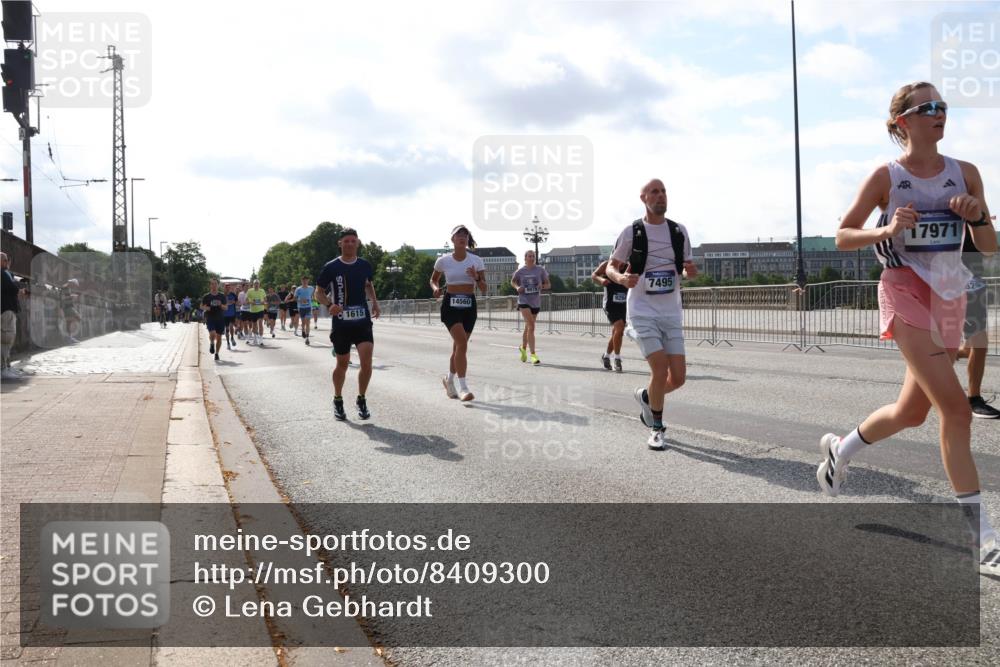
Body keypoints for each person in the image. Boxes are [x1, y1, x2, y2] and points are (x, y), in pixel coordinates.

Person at [816, 81, 997, 567]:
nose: (940, 113)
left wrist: (978, 216)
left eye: (943, 106)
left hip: (949, 292)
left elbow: (990, 246)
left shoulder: (966, 173)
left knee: (911, 412)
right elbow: (842, 236)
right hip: (903, 291)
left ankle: (841, 447)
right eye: (929, 107)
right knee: (956, 413)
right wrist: (889, 229)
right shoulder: (887, 175)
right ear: (904, 122)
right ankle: (984, 538)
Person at [606, 178, 697, 450]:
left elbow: (684, 267)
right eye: (655, 192)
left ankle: (647, 397)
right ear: (644, 198)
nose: (661, 196)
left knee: (678, 378)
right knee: (660, 369)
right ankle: (657, 428)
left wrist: (687, 273)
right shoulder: (632, 232)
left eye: (664, 192)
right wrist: (621, 278)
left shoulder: (678, 232)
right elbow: (611, 266)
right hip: (642, 312)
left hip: (671, 312)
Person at [315, 228, 381, 420]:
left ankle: (361, 398)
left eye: (353, 241)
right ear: (340, 243)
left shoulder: (364, 265)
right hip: (342, 324)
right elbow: (318, 292)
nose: (350, 244)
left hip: (362, 322)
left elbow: (368, 284)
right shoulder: (331, 267)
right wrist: (329, 304)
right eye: (346, 241)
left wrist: (375, 303)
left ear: (358, 243)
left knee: (366, 362)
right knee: (342, 363)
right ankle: (338, 399)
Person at [430, 225, 487, 401]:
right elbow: (433, 279)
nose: (462, 237)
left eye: (465, 235)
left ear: (467, 240)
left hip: (469, 304)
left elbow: (484, 289)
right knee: (462, 344)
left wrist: (476, 277)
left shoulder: (476, 261)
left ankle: (449, 379)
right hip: (451, 304)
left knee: (458, 347)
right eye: (458, 235)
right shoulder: (443, 260)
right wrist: (435, 288)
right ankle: (463, 388)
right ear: (453, 239)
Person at [955, 232, 1000, 418]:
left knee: (970, 347)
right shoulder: (947, 214)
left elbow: (989, 249)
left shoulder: (975, 217)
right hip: (955, 285)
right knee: (979, 342)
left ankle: (926, 384)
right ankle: (973, 399)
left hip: (976, 286)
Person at [510, 250, 550, 365]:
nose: (532, 258)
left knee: (528, 327)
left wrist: (542, 285)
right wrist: (517, 287)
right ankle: (533, 355)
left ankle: (523, 348)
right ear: (525, 258)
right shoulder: (520, 271)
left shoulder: (540, 270)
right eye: (529, 256)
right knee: (532, 326)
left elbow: (548, 284)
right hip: (524, 301)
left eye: (533, 256)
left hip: (535, 302)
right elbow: (512, 282)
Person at [593, 257, 628, 372]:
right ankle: (617, 359)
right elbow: (594, 275)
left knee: (617, 333)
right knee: (620, 328)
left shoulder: (629, 266)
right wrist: (601, 280)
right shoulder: (607, 264)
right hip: (609, 304)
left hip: (622, 304)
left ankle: (606, 356)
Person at [1, 252, 25, 380]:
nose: (7, 263)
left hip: (6, 309)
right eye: (5, 260)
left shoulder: (6, 273)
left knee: (6, 339)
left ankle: (7, 367)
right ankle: (3, 369)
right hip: (6, 310)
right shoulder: (3, 273)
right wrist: (18, 289)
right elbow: (14, 287)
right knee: (6, 338)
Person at [201, 279, 226, 361]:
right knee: (212, 333)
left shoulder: (222, 296)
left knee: (219, 338)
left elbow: (226, 307)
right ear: (210, 285)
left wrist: (221, 305)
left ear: (218, 285)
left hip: (220, 319)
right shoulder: (206, 296)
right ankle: (212, 343)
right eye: (212, 284)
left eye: (215, 284)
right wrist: (207, 308)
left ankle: (217, 353)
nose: (214, 285)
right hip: (210, 318)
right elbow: (201, 306)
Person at [294, 276, 315, 345]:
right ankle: (303, 330)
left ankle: (307, 338)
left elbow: (313, 295)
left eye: (306, 280)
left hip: (308, 307)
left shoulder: (311, 288)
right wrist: (301, 300)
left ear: (308, 281)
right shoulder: (298, 289)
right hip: (301, 307)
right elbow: (295, 298)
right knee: (303, 322)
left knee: (307, 322)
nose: (305, 282)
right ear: (301, 281)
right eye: (303, 281)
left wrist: (312, 298)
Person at [246, 279, 267, 346]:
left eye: (257, 283)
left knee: (260, 323)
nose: (256, 285)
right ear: (253, 284)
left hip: (260, 309)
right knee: (254, 325)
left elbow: (265, 299)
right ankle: (255, 338)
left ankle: (261, 339)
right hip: (253, 310)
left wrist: (263, 302)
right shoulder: (249, 291)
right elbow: (246, 300)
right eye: (255, 283)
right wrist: (251, 302)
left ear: (259, 284)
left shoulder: (262, 290)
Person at [60, 278, 82, 344]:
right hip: (67, 307)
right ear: (72, 283)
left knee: (69, 322)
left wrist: (71, 297)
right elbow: (62, 298)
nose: (74, 287)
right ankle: (70, 338)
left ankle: (70, 338)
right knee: (78, 318)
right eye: (74, 285)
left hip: (68, 307)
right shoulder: (65, 287)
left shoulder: (68, 288)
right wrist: (72, 296)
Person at [224, 283, 238, 349]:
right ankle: (228, 343)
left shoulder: (233, 295)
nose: (227, 288)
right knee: (227, 329)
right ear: (224, 288)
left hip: (232, 314)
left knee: (231, 327)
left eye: (228, 287)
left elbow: (237, 302)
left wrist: (233, 302)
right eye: (226, 287)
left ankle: (232, 338)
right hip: (225, 315)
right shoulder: (222, 295)